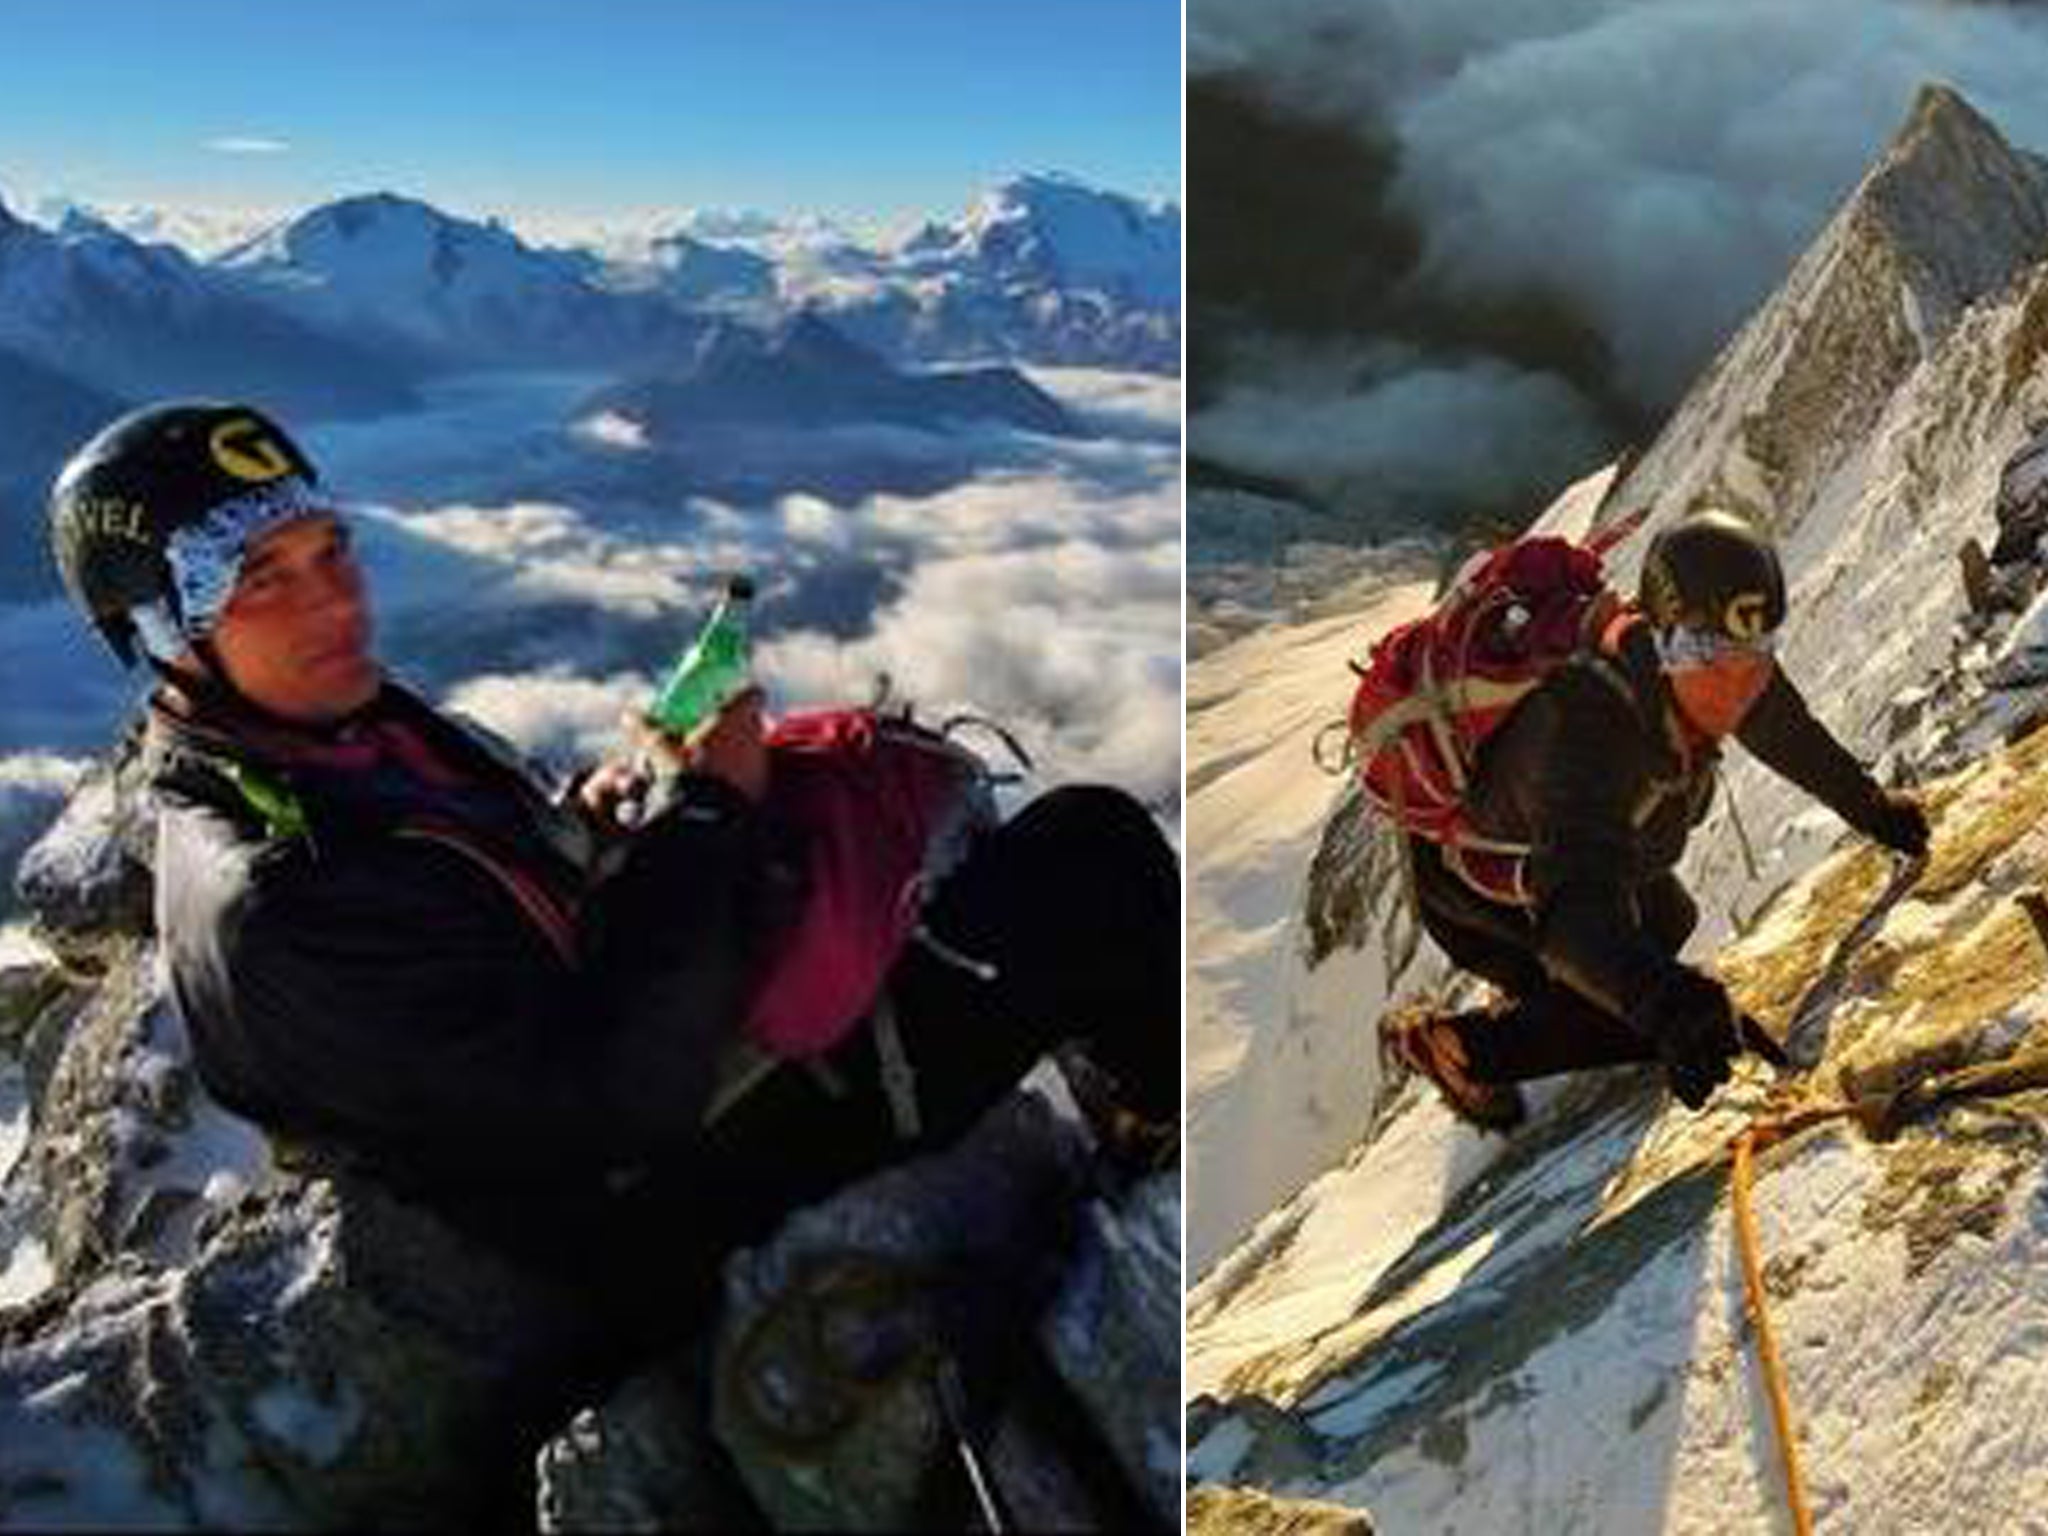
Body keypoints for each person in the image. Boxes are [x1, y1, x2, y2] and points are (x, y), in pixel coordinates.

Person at [46, 399, 1179, 1346]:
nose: (334, 599)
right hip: (645, 1210)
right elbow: (618, 1106)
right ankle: (1162, 1157)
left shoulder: (327, 741)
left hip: (607, 1088)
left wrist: (592, 821)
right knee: (1090, 863)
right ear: (156, 627)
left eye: (328, 550)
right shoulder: (278, 898)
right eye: (257, 579)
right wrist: (711, 809)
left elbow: (489, 931)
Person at [1379, 507, 1929, 1129]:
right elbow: (1574, 915)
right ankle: (1456, 1047)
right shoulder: (1581, 731)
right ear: (1665, 641)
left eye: (1757, 654)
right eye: (1713, 658)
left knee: (1669, 923)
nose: (1736, 686)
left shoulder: (1709, 653)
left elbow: (1783, 731)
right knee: (1629, 1009)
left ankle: (1535, 994)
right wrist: (1668, 1005)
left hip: (1574, 848)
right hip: (1479, 893)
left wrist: (1874, 811)